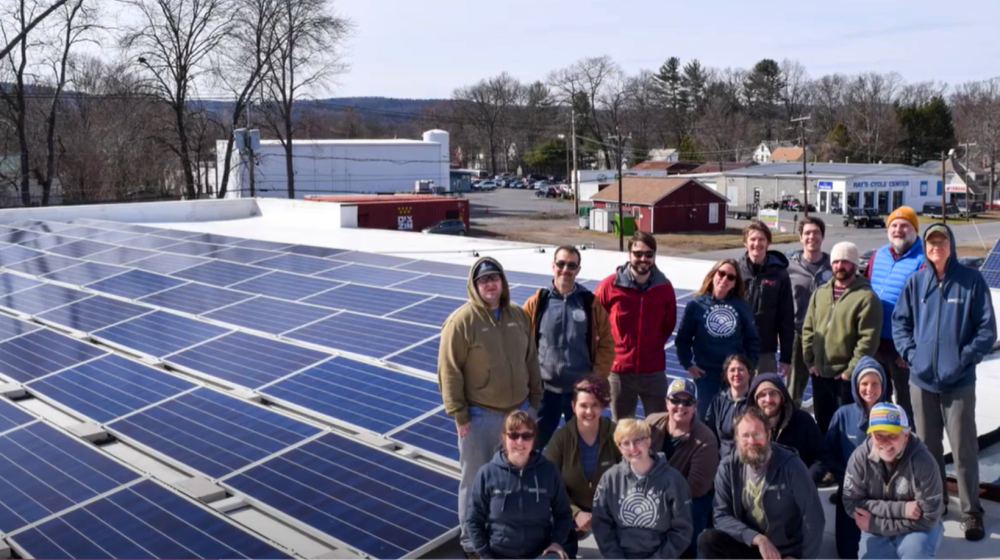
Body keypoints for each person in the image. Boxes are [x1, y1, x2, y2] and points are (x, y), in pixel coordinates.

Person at [893, 223, 997, 542]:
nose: (936, 245)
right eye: (930, 241)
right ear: (925, 247)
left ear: (951, 245)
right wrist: (913, 355)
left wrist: (963, 358)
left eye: (941, 240)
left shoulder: (971, 281)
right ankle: (936, 504)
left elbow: (986, 330)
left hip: (959, 382)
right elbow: (900, 324)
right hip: (921, 381)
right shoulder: (915, 283)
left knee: (964, 448)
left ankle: (971, 513)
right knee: (927, 448)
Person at [438, 257, 544, 558]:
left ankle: (505, 538)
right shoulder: (462, 321)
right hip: (480, 416)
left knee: (514, 480)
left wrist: (534, 403)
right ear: (474, 285)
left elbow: (531, 360)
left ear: (503, 282)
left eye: (495, 278)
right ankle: (472, 546)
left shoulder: (518, 316)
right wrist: (459, 414)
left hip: (519, 413)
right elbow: (449, 370)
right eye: (484, 280)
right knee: (474, 481)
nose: (490, 284)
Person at [699, 407, 825, 559]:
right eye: (745, 436)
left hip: (784, 551)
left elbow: (813, 516)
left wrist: (802, 557)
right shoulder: (728, 468)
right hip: (752, 543)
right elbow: (721, 514)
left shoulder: (792, 466)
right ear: (737, 439)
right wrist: (757, 538)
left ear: (768, 434)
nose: (751, 441)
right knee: (707, 540)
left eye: (757, 434)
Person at [524, 245, 615, 448]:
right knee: (535, 445)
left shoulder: (589, 303)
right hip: (544, 391)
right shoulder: (538, 302)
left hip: (579, 392)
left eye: (571, 265)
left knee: (581, 445)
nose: (565, 269)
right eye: (561, 264)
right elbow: (520, 343)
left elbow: (607, 344)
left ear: (578, 269)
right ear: (553, 266)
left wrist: (595, 379)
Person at [842, 403, 946, 559]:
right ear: (871, 435)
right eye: (879, 436)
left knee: (916, 552)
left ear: (905, 435)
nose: (885, 442)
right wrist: (901, 509)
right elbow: (851, 503)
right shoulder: (859, 458)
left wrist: (876, 523)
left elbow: (928, 518)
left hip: (916, 529)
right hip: (879, 526)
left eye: (892, 436)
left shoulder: (924, 463)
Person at [466, 410, 574, 560]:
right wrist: (485, 554)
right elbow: (473, 520)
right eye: (514, 435)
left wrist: (556, 542)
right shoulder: (487, 473)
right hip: (499, 555)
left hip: (540, 553)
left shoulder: (548, 471)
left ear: (533, 438)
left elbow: (563, 513)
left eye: (526, 436)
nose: (520, 441)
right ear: (504, 437)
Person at [802, 241, 882, 434]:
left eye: (845, 262)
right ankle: (826, 463)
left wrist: (850, 372)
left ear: (854, 265)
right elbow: (808, 329)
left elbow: (867, 340)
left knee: (847, 430)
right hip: (820, 374)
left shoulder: (866, 298)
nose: (839, 266)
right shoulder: (820, 293)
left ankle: (846, 465)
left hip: (845, 378)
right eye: (836, 261)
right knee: (823, 426)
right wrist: (810, 362)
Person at [596, 231, 677, 420]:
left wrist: (652, 346)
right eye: (638, 254)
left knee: (658, 426)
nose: (643, 259)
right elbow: (595, 323)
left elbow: (668, 324)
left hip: (653, 371)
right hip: (619, 372)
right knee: (622, 429)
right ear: (629, 255)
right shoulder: (609, 286)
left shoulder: (664, 288)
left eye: (649, 254)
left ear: (655, 256)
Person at [591, 418, 693, 559]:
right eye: (625, 443)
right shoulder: (610, 479)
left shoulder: (674, 480)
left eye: (638, 440)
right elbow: (601, 524)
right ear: (619, 449)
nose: (633, 448)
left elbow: (682, 530)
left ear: (648, 442)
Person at [543, 377, 621, 558]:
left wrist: (607, 512)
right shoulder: (560, 439)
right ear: (573, 407)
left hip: (609, 509)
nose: (589, 411)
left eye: (594, 405)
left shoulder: (616, 434)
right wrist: (575, 513)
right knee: (558, 553)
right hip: (569, 509)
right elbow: (550, 484)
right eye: (583, 405)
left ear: (602, 406)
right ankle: (571, 536)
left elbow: (629, 478)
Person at [675, 259, 761, 420]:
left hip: (734, 376)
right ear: (713, 274)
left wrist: (749, 368)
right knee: (706, 421)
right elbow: (683, 339)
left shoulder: (741, 306)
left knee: (735, 420)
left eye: (730, 277)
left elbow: (752, 340)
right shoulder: (696, 305)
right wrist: (688, 364)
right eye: (721, 274)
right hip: (706, 376)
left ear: (735, 283)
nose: (724, 279)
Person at [647, 379, 721, 559]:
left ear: (695, 406)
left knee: (693, 510)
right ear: (666, 402)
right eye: (675, 400)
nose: (680, 406)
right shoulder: (650, 424)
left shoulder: (705, 440)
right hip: (652, 490)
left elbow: (696, 487)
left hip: (689, 499)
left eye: (687, 402)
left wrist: (660, 501)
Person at [826, 357, 889, 559]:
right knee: (847, 552)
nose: (869, 389)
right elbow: (829, 451)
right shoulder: (842, 415)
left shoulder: (893, 415)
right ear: (855, 385)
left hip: (883, 491)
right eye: (864, 383)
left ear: (883, 385)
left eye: (875, 384)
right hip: (850, 490)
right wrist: (844, 477)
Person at [866, 206, 923, 423]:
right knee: (879, 398)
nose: (898, 230)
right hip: (876, 343)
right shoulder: (879, 255)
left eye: (904, 225)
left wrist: (911, 347)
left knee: (906, 402)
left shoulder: (922, 259)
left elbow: (926, 308)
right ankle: (884, 440)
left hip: (902, 347)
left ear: (914, 229)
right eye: (894, 225)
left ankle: (909, 448)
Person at [748, 373, 830, 485]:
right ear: (755, 399)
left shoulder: (803, 420)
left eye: (773, 393)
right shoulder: (748, 426)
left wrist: (806, 482)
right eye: (762, 395)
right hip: (759, 491)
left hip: (798, 490)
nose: (768, 399)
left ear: (782, 396)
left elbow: (821, 457)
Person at [738, 221, 794, 377]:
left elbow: (786, 318)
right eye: (753, 239)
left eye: (762, 239)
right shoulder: (735, 271)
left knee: (764, 396)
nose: (757, 244)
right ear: (745, 242)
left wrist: (786, 357)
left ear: (768, 242)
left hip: (765, 352)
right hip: (736, 350)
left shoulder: (780, 274)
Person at [787, 216, 833, 407]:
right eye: (807, 233)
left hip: (827, 336)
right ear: (800, 237)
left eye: (816, 233)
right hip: (798, 335)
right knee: (793, 389)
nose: (811, 237)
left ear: (822, 237)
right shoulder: (789, 267)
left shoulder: (834, 265)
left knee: (826, 390)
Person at [705, 354, 754, 460]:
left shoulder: (756, 401)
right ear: (726, 375)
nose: (736, 374)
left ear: (749, 373)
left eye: (741, 369)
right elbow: (710, 432)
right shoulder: (718, 400)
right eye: (732, 370)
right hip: (722, 461)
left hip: (748, 460)